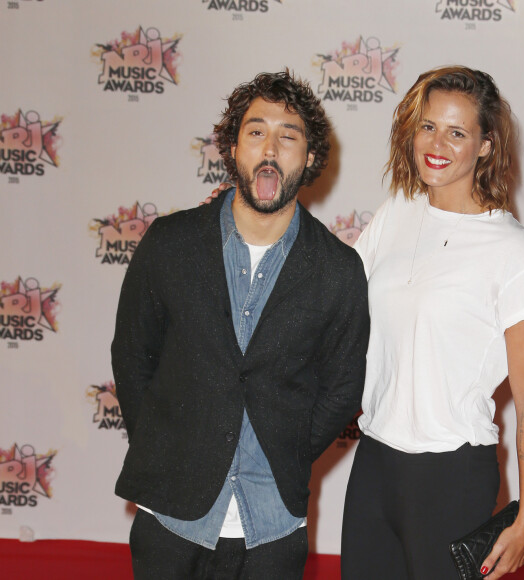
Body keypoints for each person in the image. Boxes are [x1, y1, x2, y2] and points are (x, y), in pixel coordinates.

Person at [111, 69, 370, 579]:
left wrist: (287, 446)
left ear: (311, 157)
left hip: (272, 527)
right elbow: (132, 357)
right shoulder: (169, 243)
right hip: (169, 517)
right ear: (233, 147)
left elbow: (343, 389)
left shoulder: (338, 269)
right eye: (256, 132)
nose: (270, 148)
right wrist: (168, 443)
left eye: (288, 136)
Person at [340, 66, 524, 580]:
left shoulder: (513, 252)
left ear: (485, 146)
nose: (437, 144)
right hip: (372, 464)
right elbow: (333, 290)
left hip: (451, 476)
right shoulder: (397, 212)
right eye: (428, 126)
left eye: (457, 132)